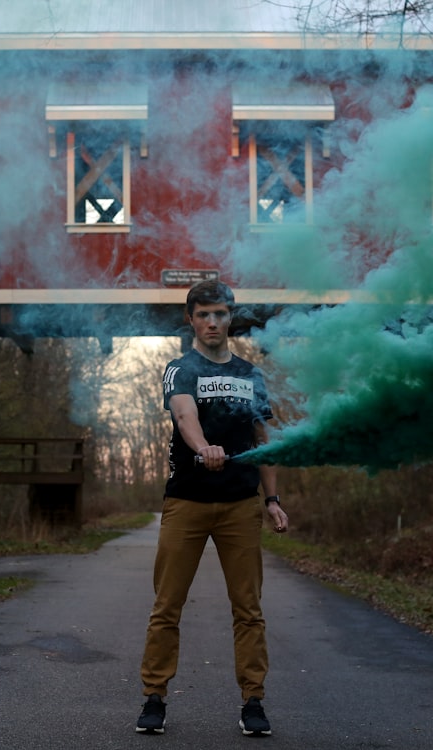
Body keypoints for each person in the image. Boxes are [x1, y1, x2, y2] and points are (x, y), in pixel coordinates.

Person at [136, 279, 289, 737]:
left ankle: (254, 702)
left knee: (249, 609)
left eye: (220, 314)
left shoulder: (252, 375)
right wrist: (205, 448)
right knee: (167, 605)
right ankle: (154, 697)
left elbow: (265, 441)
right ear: (191, 319)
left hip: (241, 507)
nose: (212, 322)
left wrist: (273, 500)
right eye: (203, 314)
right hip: (186, 503)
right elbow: (185, 416)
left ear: (230, 317)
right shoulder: (179, 369)